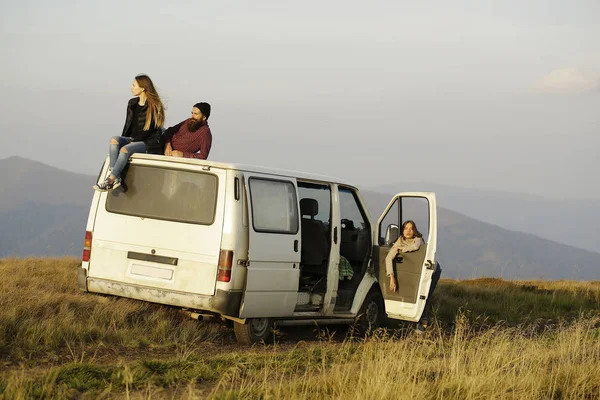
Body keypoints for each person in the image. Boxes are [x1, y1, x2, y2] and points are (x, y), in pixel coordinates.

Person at [94, 74, 165, 191]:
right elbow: (127, 125)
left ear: (142, 88)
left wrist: (131, 143)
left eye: (134, 85)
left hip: (149, 142)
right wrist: (124, 140)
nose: (131, 87)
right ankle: (114, 177)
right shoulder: (132, 103)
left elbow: (150, 131)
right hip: (132, 139)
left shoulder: (155, 106)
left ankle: (110, 180)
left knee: (124, 150)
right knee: (114, 140)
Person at [384, 220, 441, 331]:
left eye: (411, 228)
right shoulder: (399, 242)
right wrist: (392, 278)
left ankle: (422, 323)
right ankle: (415, 321)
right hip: (416, 272)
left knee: (425, 296)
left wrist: (401, 250)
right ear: (402, 230)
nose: (408, 231)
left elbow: (415, 247)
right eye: (406, 228)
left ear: (414, 231)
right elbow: (388, 259)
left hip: (432, 270)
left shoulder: (418, 240)